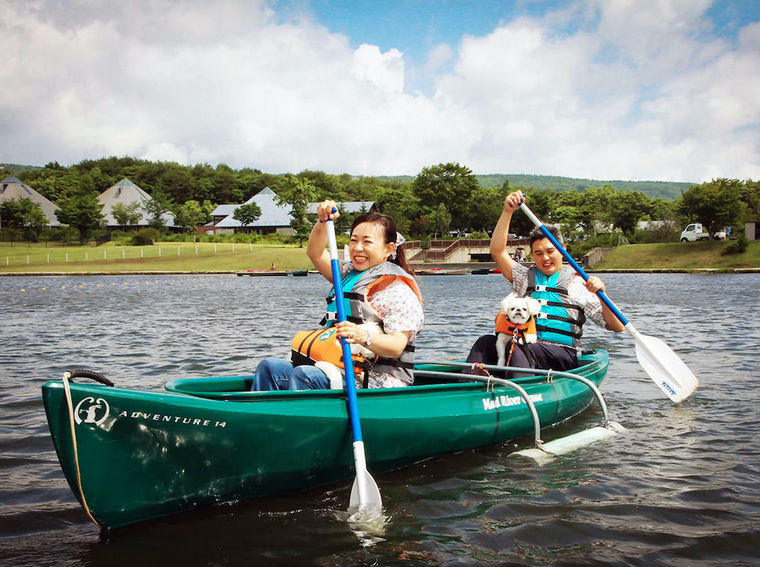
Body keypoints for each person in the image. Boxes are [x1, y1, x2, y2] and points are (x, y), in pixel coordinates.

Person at [253, 201, 424, 391]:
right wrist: (322, 221)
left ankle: (300, 418)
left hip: (377, 380)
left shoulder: (397, 290)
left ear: (388, 249)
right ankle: (260, 415)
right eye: (353, 240)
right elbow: (315, 252)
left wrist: (362, 335)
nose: (357, 248)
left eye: (367, 242)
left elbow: (396, 346)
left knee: (305, 375)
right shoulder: (346, 275)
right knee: (270, 367)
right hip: (337, 368)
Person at [466, 191, 624, 376]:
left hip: (560, 356)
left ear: (563, 250)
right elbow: (497, 251)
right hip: (524, 349)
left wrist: (601, 293)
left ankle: (517, 396)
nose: (545, 258)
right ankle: (468, 388)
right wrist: (508, 211)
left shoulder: (578, 284)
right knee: (485, 342)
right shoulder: (524, 278)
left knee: (517, 348)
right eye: (538, 253)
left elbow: (617, 326)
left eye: (551, 251)